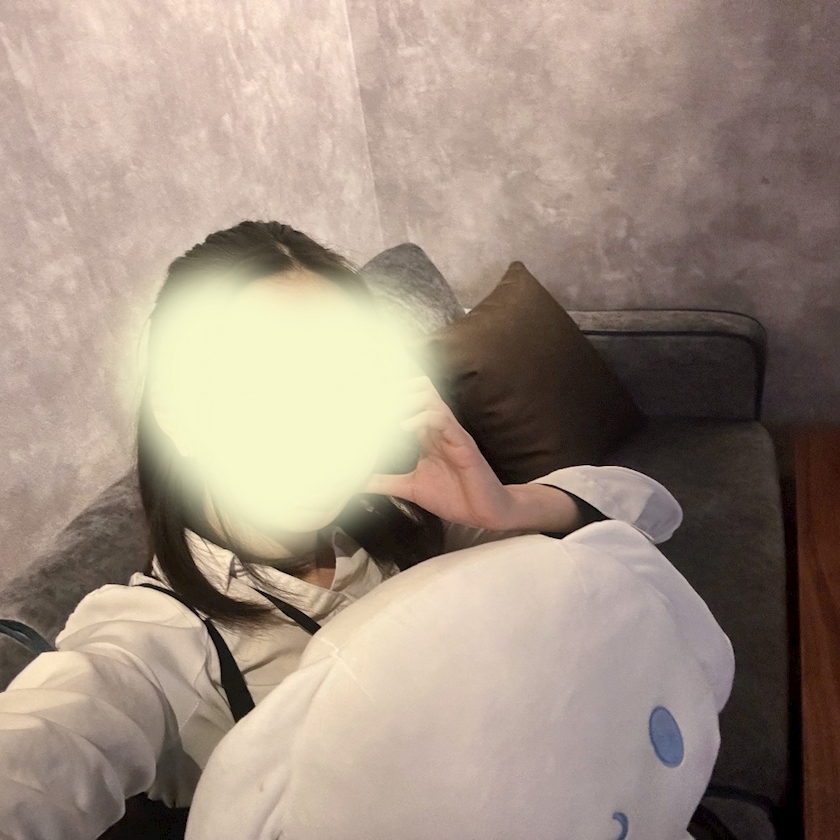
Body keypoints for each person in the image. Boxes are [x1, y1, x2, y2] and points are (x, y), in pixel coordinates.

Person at [0, 221, 726, 839]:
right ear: (182, 418)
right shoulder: (157, 642)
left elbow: (648, 511)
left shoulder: (401, 526)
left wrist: (505, 507)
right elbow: (43, 753)